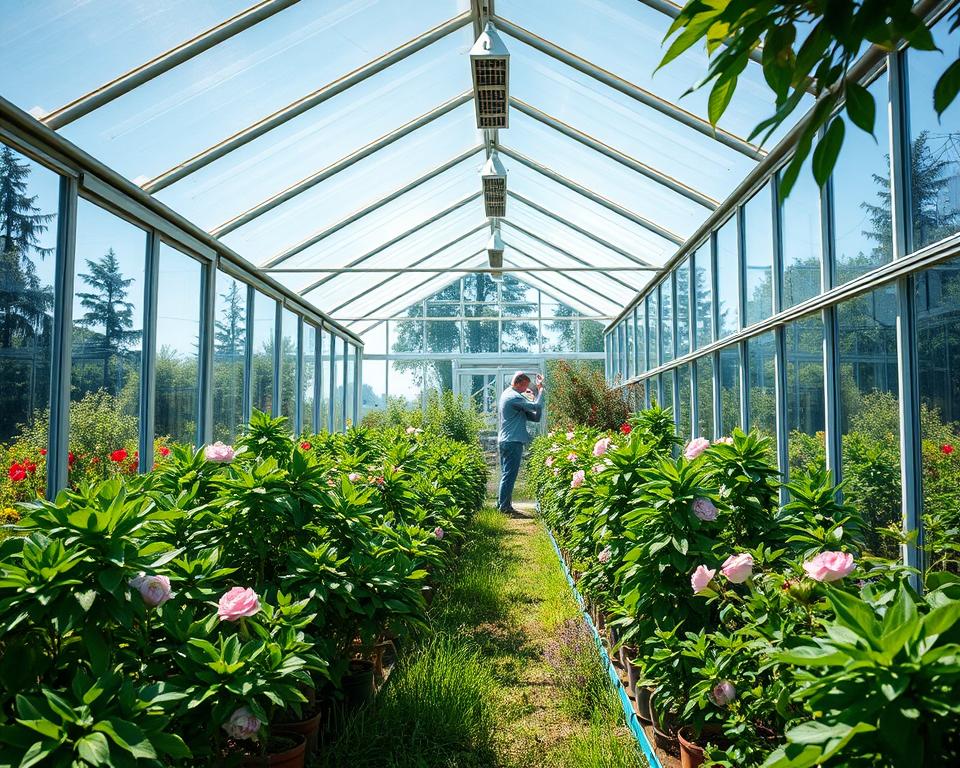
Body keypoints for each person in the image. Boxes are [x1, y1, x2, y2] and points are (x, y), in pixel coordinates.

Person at [497, 371, 544, 514]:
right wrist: (540, 391)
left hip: (508, 440)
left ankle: (503, 505)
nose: (526, 389)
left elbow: (535, 417)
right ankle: (504, 508)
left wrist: (534, 397)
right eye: (525, 385)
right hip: (512, 441)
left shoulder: (510, 395)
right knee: (509, 475)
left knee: (507, 474)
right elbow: (536, 407)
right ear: (518, 383)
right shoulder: (513, 397)